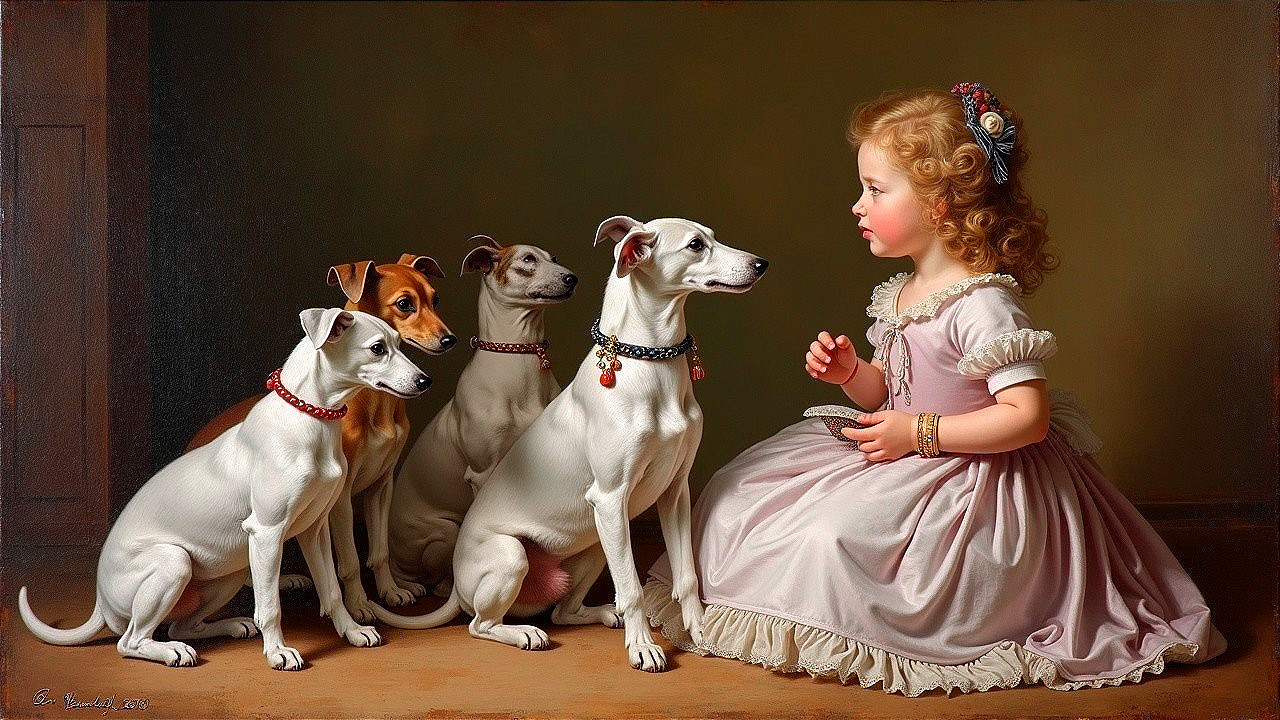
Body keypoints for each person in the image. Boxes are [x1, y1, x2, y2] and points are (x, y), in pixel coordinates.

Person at [644, 83, 1226, 696]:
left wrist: (918, 433)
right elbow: (888, 395)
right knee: (739, 493)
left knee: (832, 537)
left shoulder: (984, 304)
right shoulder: (900, 292)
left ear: (941, 201)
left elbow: (1027, 418)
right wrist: (853, 375)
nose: (856, 206)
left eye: (874, 189)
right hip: (903, 450)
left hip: (975, 478)